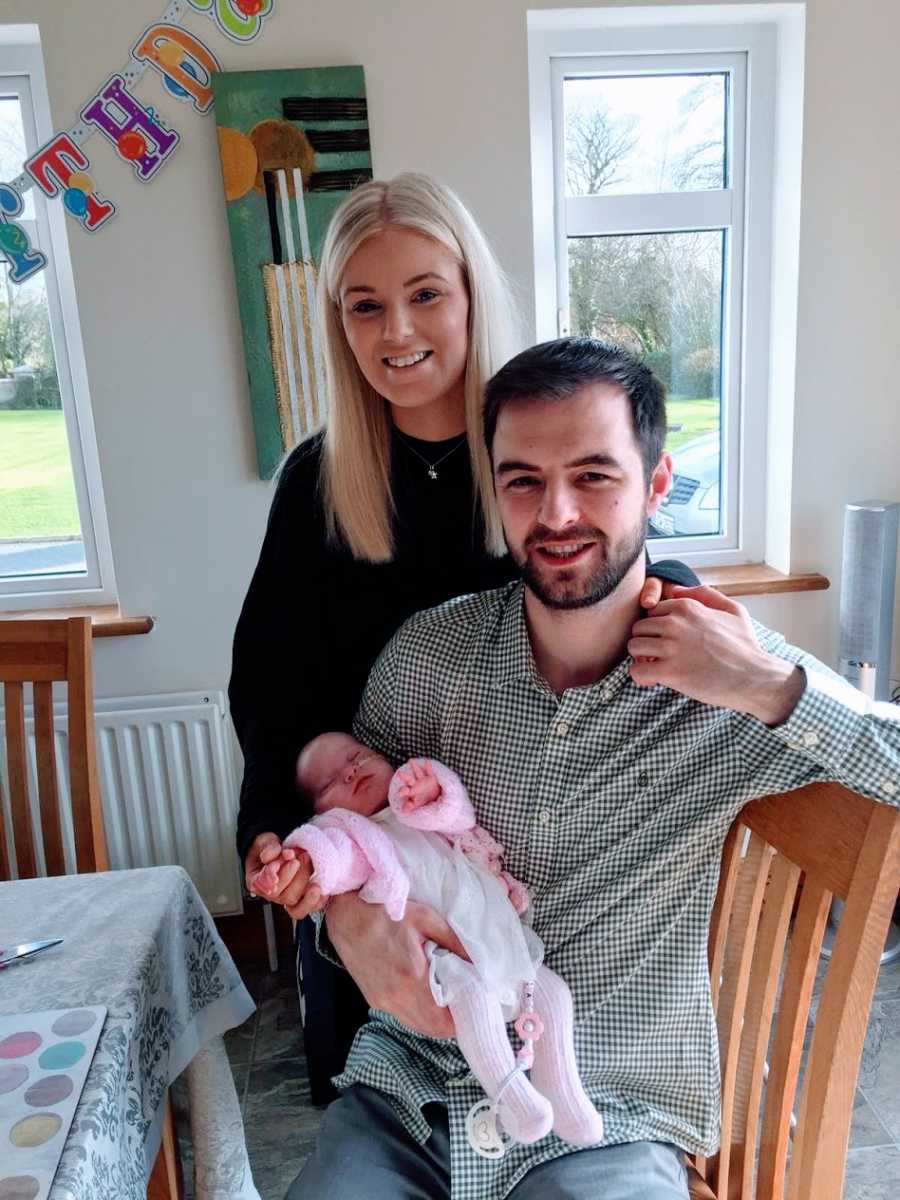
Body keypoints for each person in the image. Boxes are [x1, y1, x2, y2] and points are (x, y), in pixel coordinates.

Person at [288, 337, 900, 1200]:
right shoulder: (425, 660)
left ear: (655, 484)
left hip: (607, 1119)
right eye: (524, 480)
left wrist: (765, 685)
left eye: (595, 475)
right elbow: (347, 842)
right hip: (408, 1102)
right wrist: (338, 916)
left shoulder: (728, 681)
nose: (558, 512)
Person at [228, 174, 699, 1103]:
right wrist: (291, 858)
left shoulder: (534, 452)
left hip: (539, 875)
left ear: (473, 294)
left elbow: (631, 573)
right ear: (339, 324)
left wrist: (688, 605)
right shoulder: (318, 483)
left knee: (545, 1097)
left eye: (425, 295)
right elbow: (268, 697)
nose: (397, 332)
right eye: (366, 306)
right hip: (376, 874)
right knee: (389, 1125)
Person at [255, 733, 605, 1150]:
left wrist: (432, 790)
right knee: (473, 1002)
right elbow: (326, 858)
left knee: (552, 994)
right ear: (322, 810)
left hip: (486, 927)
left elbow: (460, 817)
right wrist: (296, 864)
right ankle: (512, 1095)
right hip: (438, 953)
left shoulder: (411, 806)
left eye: (357, 758)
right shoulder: (355, 836)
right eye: (333, 782)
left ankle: (564, 1094)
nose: (350, 772)